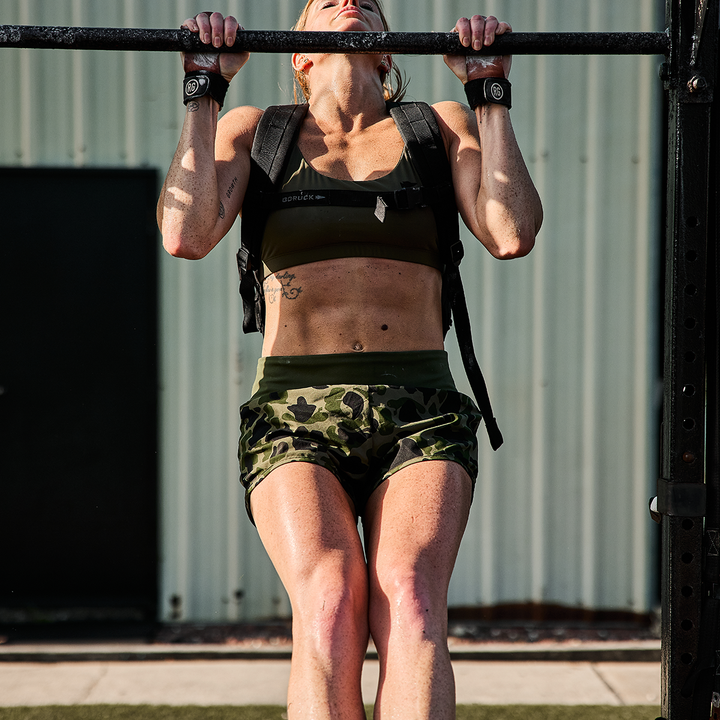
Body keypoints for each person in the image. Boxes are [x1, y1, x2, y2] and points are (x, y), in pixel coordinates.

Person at [158, 2, 543, 718]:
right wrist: (204, 88)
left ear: (388, 52)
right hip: (292, 412)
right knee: (330, 605)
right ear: (299, 55)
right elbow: (184, 233)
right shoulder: (257, 131)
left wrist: (488, 92)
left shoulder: (436, 129)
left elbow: (512, 231)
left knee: (414, 600)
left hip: (421, 410)